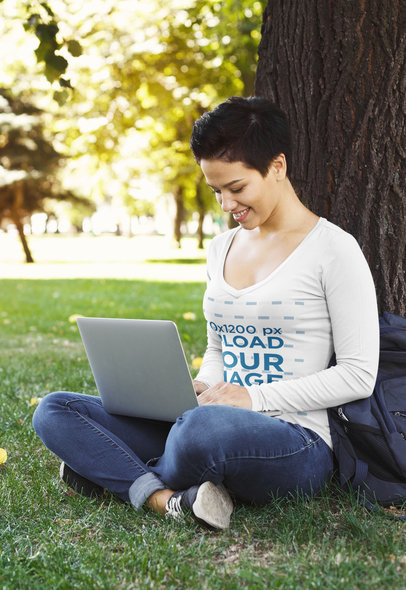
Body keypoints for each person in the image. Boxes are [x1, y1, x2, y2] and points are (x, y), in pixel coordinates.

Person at [32, 96, 380, 530]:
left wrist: (254, 397)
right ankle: (165, 499)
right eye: (216, 191)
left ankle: (108, 470)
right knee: (55, 409)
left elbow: (358, 374)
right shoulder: (221, 248)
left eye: (236, 188)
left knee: (201, 432)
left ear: (277, 167)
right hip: (202, 418)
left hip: (293, 441)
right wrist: (204, 383)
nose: (225, 205)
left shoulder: (333, 249)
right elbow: (220, 345)